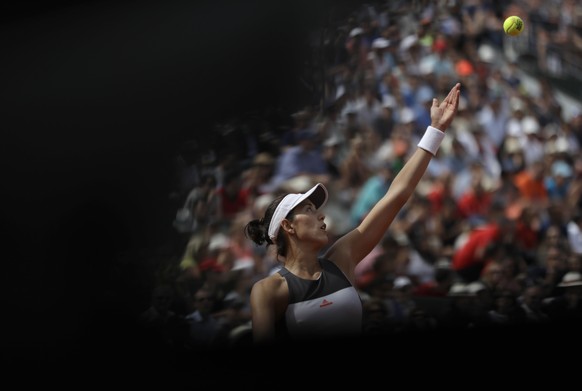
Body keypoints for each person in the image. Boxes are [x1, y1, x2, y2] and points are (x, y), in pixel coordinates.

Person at [243, 82, 461, 344]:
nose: (321, 216)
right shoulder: (267, 290)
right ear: (288, 227)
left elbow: (396, 197)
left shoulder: (342, 257)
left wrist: (436, 130)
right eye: (310, 210)